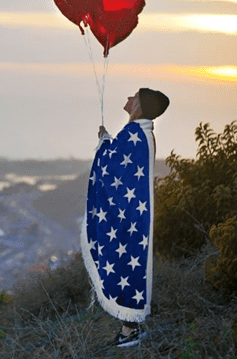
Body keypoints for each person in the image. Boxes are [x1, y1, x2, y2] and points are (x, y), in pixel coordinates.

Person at [80, 88, 169, 348]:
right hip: (133, 216)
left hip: (130, 218)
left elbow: (112, 168)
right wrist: (108, 139)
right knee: (130, 264)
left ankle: (130, 327)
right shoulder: (141, 133)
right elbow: (122, 164)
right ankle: (129, 326)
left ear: (139, 106)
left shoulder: (135, 134)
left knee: (129, 264)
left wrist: (103, 143)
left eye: (134, 97)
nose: (128, 99)